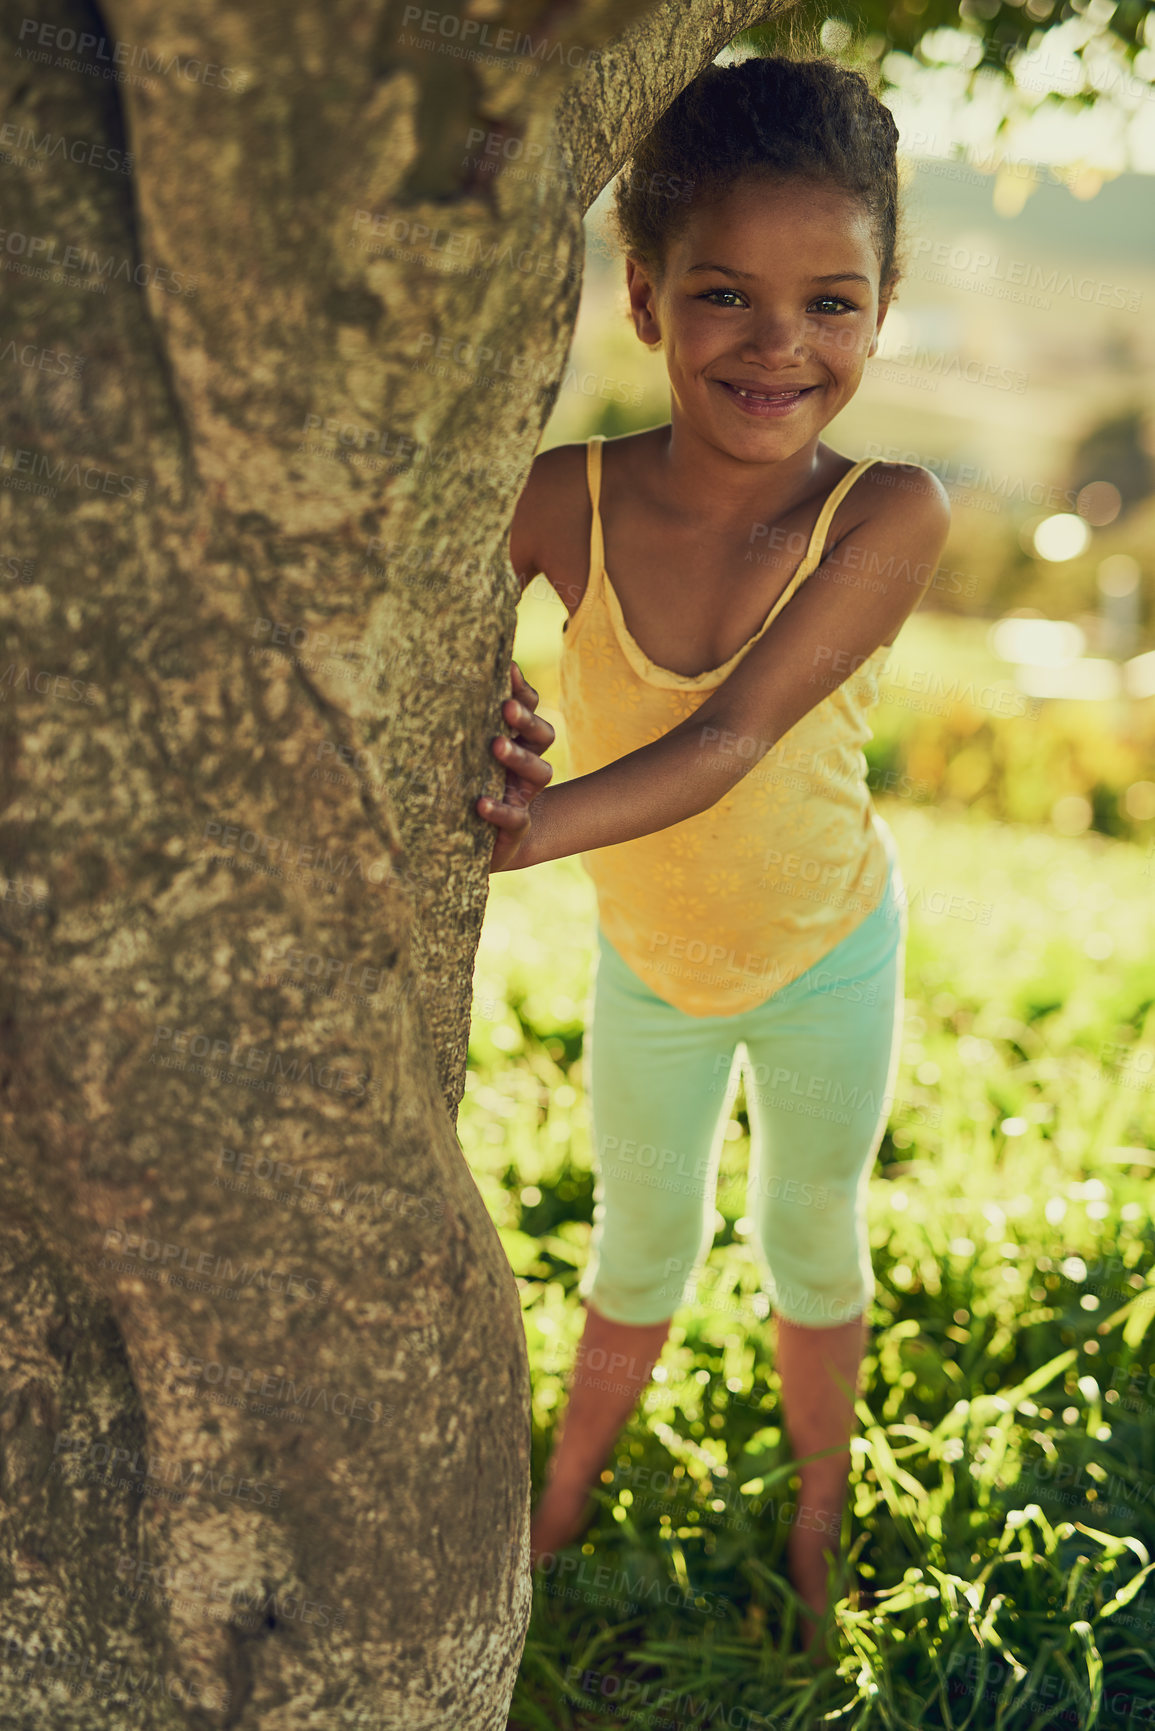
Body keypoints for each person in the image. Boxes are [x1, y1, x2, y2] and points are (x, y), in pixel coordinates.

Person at [476, 52, 951, 1651]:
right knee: (640, 1238)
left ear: (883, 310)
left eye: (833, 302)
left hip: (827, 956)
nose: (780, 345)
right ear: (642, 294)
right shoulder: (557, 502)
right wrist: (496, 722)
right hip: (654, 969)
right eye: (726, 294)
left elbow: (731, 741)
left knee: (811, 1228)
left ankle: (821, 1516)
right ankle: (562, 1498)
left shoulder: (890, 511)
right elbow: (448, 662)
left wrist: (532, 830)